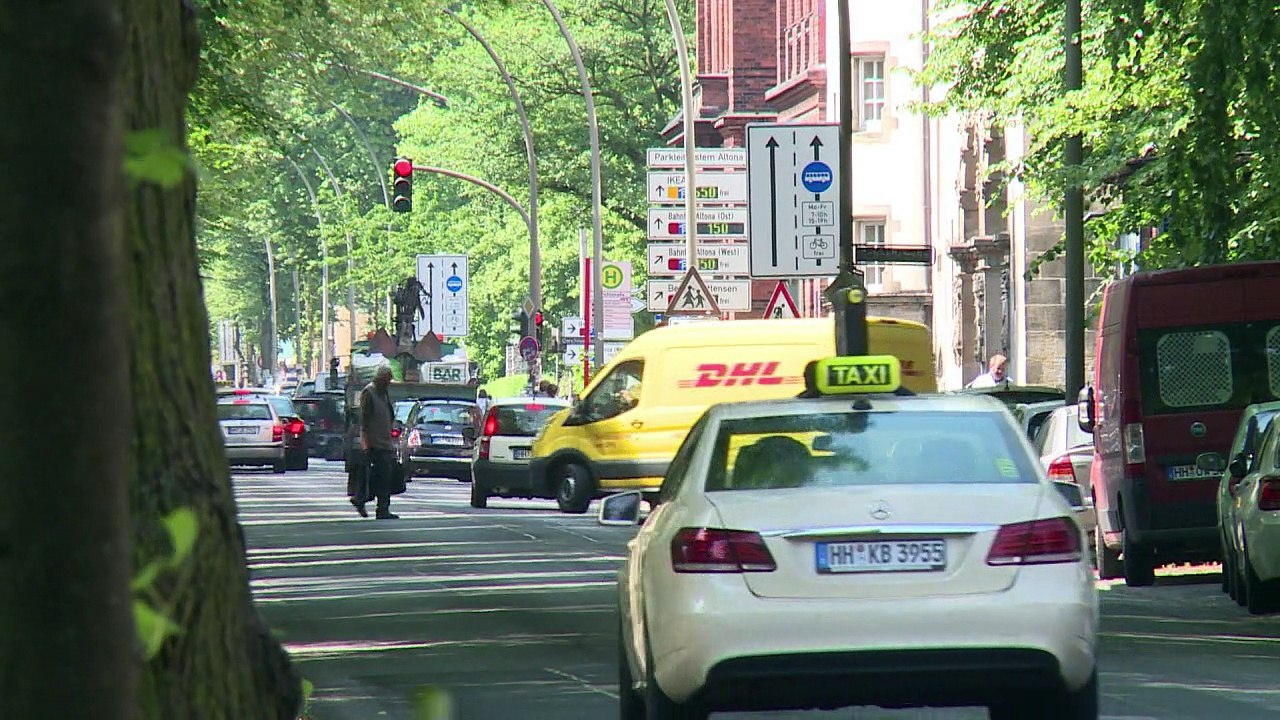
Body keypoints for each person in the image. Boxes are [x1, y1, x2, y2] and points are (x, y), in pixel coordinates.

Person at [355, 365, 398, 520]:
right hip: (374, 443)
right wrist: (366, 442)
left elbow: (389, 416)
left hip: (385, 443)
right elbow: (364, 420)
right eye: (387, 379)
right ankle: (378, 507)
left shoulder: (383, 393)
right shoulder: (369, 393)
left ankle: (364, 501)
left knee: (383, 477)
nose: (389, 382)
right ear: (380, 378)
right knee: (379, 477)